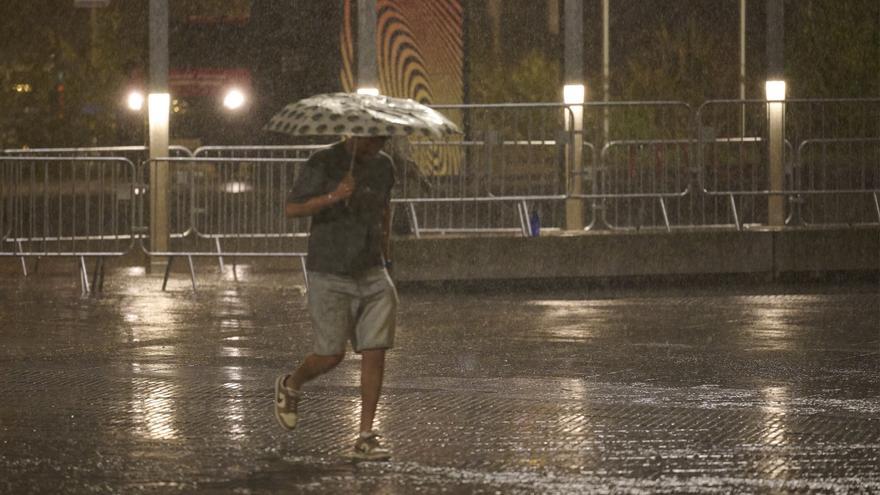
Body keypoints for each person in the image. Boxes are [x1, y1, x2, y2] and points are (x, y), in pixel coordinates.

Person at [275, 135, 397, 462]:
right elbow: (292, 208)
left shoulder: (384, 165)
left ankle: (365, 435)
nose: (380, 144)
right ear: (356, 133)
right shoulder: (323, 161)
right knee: (330, 355)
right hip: (329, 270)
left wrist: (386, 254)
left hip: (372, 271)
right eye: (375, 138)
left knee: (375, 350)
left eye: (385, 137)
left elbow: (385, 209)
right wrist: (334, 195)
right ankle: (292, 383)